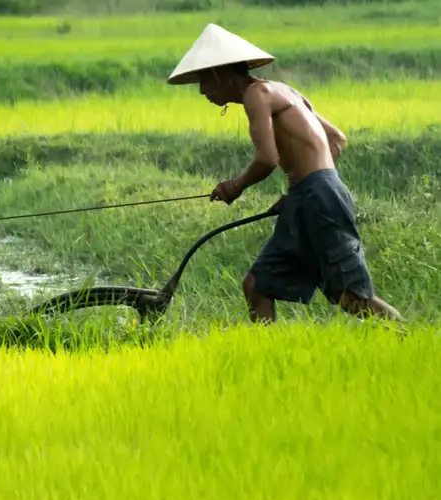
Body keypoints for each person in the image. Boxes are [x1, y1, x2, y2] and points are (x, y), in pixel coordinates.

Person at [167, 23, 402, 324]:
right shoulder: (285, 91)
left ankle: (410, 337)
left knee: (352, 297)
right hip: (311, 194)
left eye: (203, 80)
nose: (201, 90)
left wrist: (235, 186)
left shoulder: (257, 95)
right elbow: (337, 139)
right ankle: (266, 355)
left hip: (319, 196)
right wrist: (302, 188)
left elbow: (267, 158)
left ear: (219, 73)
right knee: (257, 286)